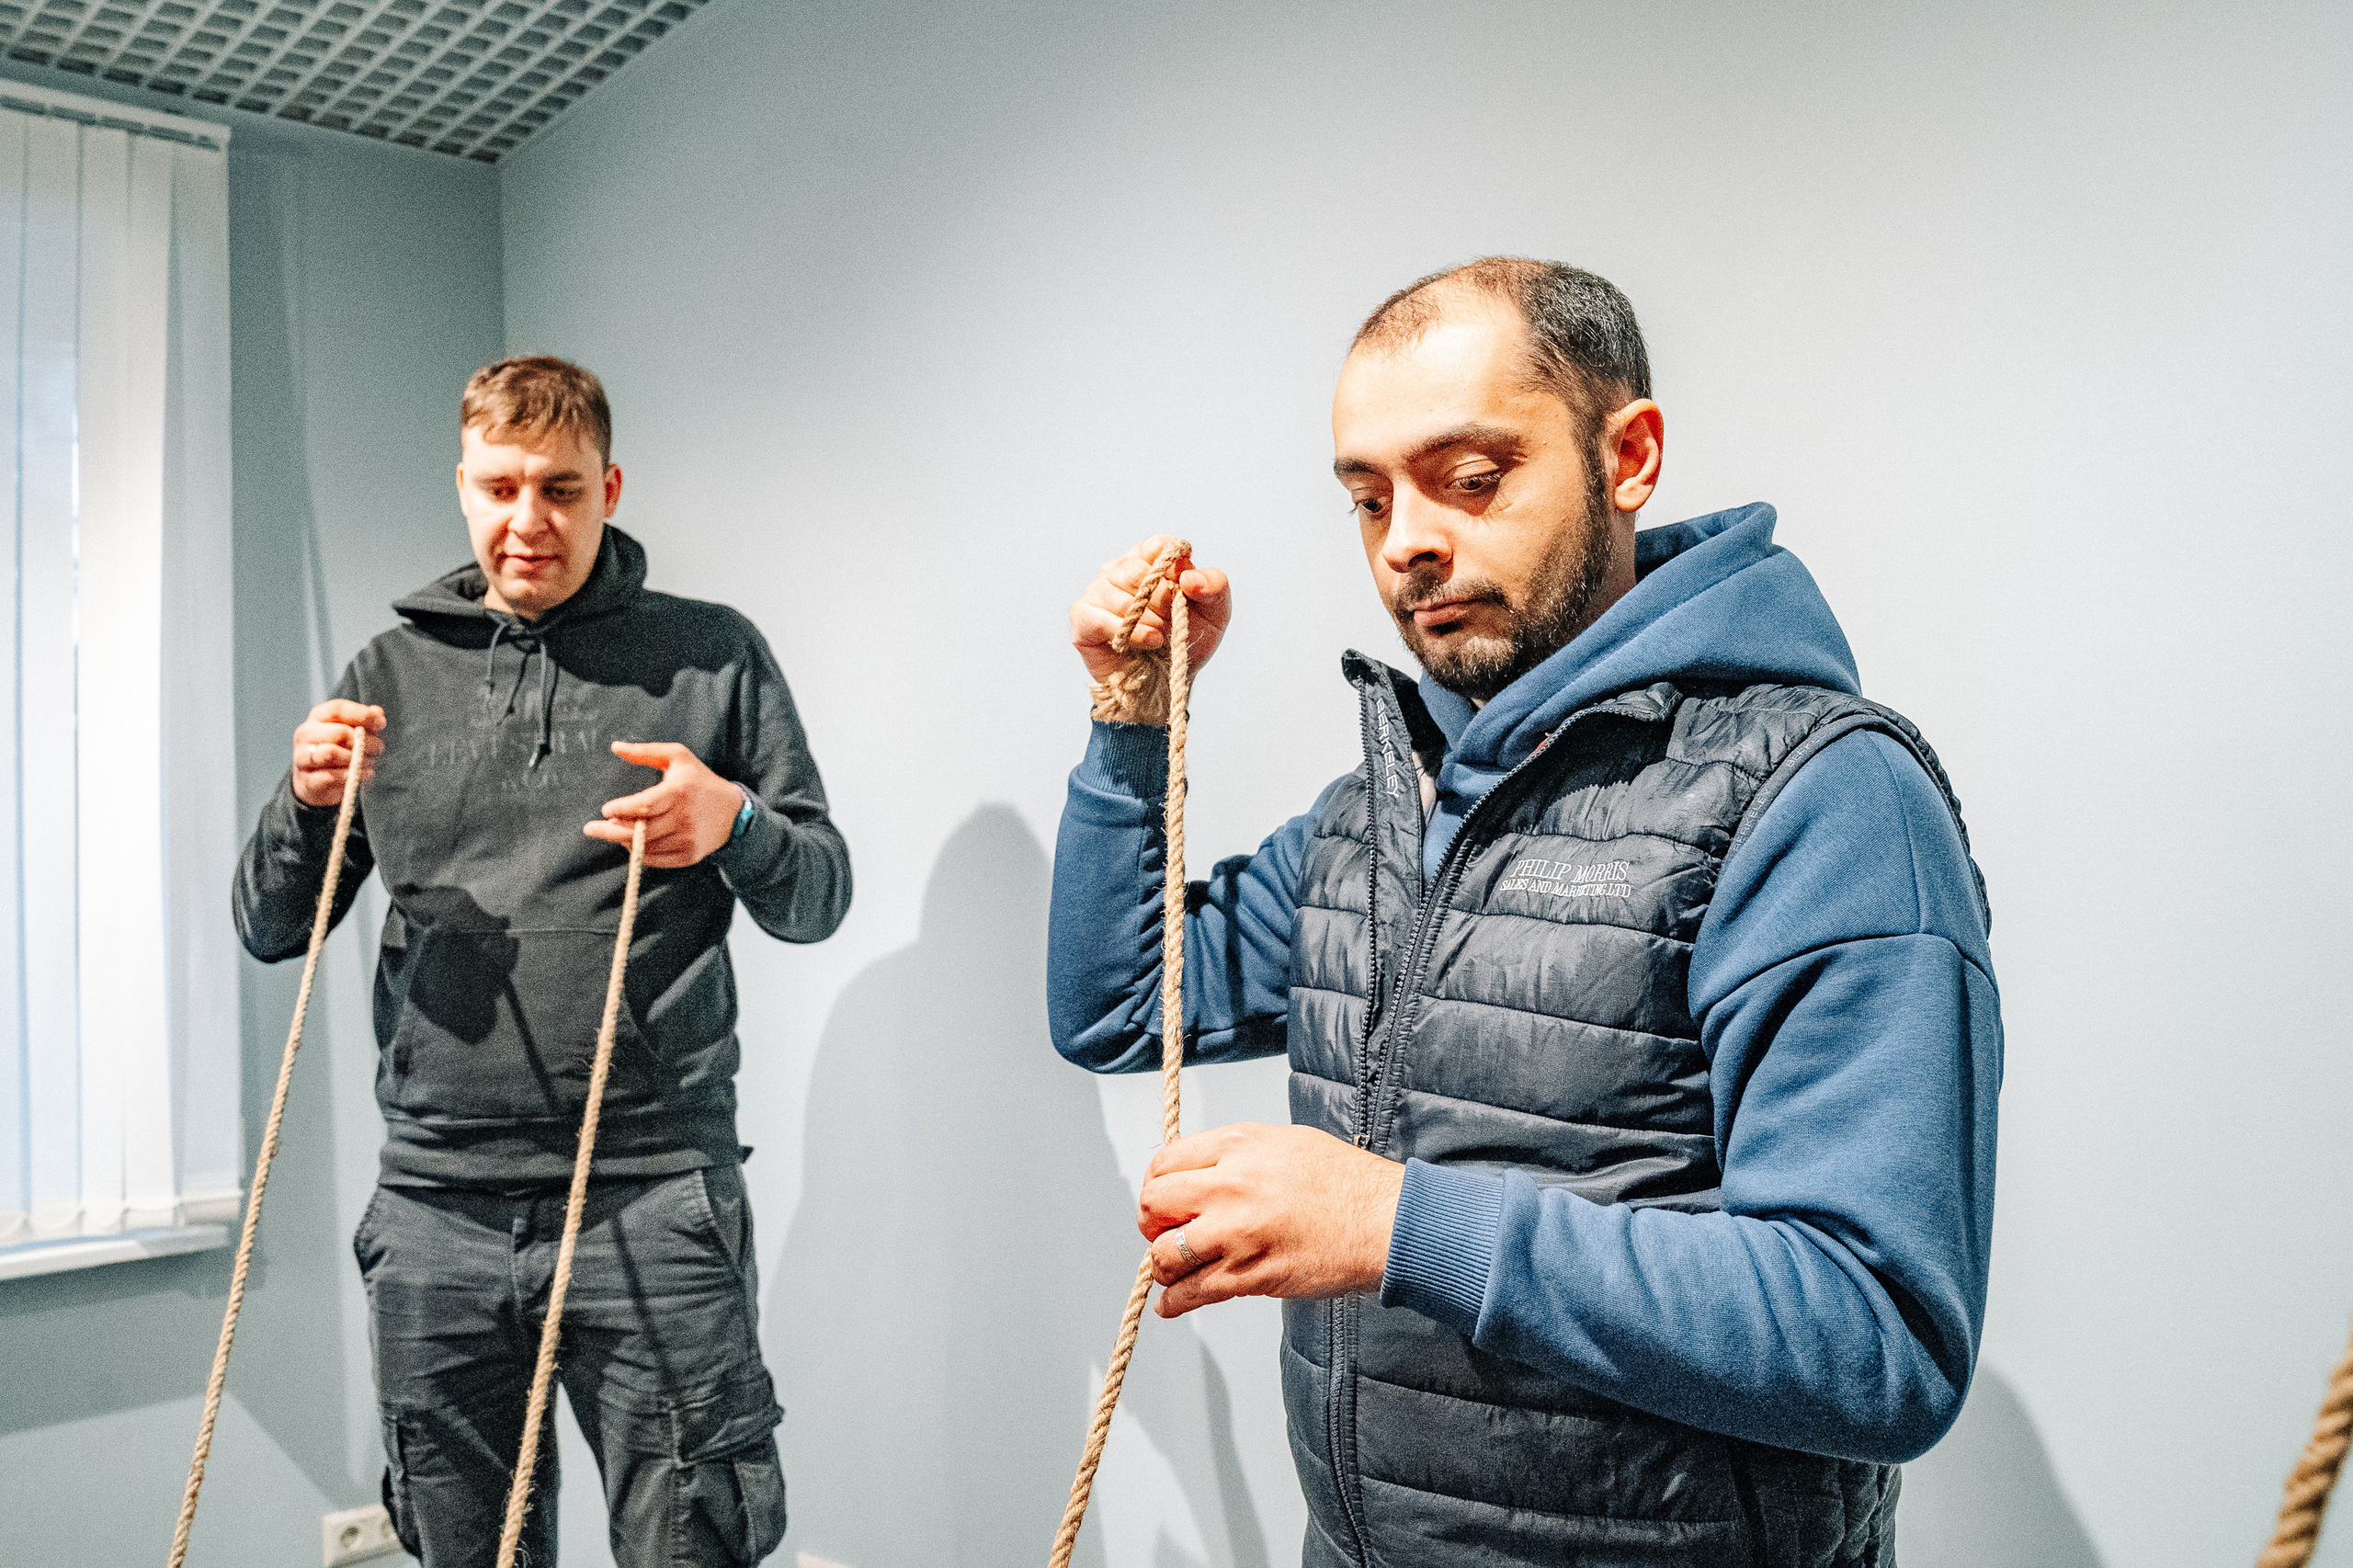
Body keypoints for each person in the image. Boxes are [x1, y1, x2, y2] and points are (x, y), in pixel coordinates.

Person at [1049, 259, 1999, 1566]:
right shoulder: (1374, 812)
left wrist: (1390, 1220)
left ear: (1630, 455)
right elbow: (1117, 1005)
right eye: (1369, 496)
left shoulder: (1820, 796)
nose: (1408, 540)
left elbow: (1876, 1336)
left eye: (1471, 478)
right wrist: (1129, 720)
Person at [233, 357, 849, 1568]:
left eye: (561, 489)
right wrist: (306, 803)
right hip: (434, 1210)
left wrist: (733, 821)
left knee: (692, 1545)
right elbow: (271, 925)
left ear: (608, 486)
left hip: (655, 1193)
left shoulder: (712, 657)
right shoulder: (386, 676)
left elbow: (819, 892)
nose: (530, 522)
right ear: (463, 486)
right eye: (502, 487)